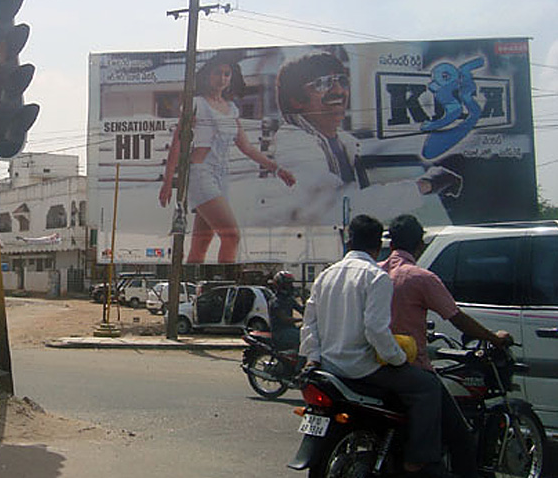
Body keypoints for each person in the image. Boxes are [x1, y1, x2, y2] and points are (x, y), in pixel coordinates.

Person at [300, 214, 445, 477]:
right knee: (428, 386)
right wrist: (400, 359)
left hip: (330, 369)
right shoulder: (375, 277)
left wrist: (313, 357)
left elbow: (309, 324)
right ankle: (416, 460)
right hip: (362, 368)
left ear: (348, 240)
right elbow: (376, 330)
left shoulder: (325, 276)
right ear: (379, 246)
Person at [382, 214, 513, 478]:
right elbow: (458, 318)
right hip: (411, 366)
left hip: (372, 366)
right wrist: (494, 338)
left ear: (391, 243)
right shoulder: (420, 277)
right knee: (460, 434)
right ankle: (421, 463)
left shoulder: (373, 271)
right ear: (420, 244)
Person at [274, 50, 462, 224]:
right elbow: (336, 208)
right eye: (323, 83)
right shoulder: (292, 141)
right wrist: (424, 185)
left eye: (342, 81)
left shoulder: (344, 141)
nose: (339, 91)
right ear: (296, 100)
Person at [159, 51, 296, 263]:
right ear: (207, 76)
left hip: (222, 177)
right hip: (200, 173)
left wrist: (277, 169)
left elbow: (247, 148)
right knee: (232, 236)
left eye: (227, 74)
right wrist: (168, 182)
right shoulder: (196, 103)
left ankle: (191, 290)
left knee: (199, 246)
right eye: (217, 73)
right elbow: (177, 143)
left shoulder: (231, 109)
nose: (222, 78)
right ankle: (224, 286)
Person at [267, 271, 303, 351]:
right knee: (304, 339)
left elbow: (301, 310)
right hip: (280, 332)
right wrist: (301, 319)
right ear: (280, 285)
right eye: (287, 284)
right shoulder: (276, 301)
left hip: (291, 329)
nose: (290, 286)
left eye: (290, 284)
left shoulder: (289, 299)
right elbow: (284, 319)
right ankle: (301, 362)